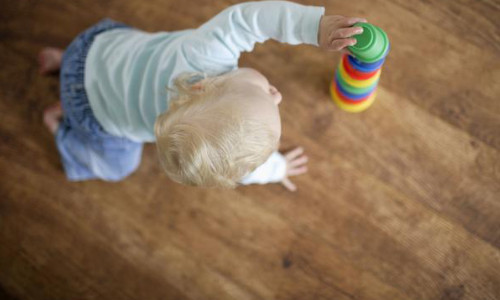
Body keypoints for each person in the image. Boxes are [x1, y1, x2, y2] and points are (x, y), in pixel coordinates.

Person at [39, 1, 366, 191]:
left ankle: (64, 61)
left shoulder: (204, 53)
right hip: (91, 108)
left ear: (201, 87)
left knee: (118, 52)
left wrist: (313, 28)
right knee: (117, 167)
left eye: (263, 93)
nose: (276, 95)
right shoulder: (206, 69)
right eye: (270, 97)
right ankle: (57, 123)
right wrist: (277, 169)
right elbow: (244, 170)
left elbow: (249, 19)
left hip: (91, 51)